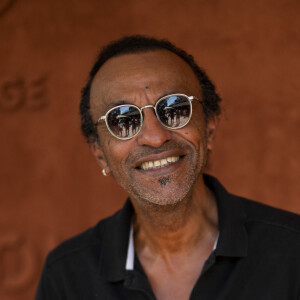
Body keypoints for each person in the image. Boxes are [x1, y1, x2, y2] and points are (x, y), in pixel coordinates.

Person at [35, 35, 300, 300]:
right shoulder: (67, 276)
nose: (155, 136)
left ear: (209, 128)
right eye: (123, 119)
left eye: (175, 108)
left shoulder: (292, 250)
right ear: (100, 153)